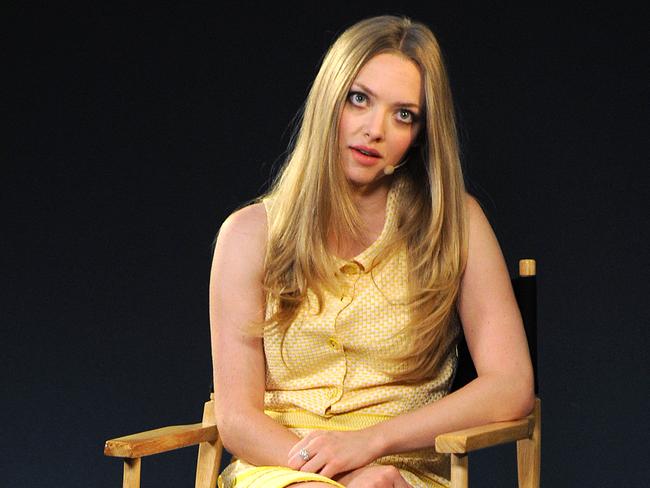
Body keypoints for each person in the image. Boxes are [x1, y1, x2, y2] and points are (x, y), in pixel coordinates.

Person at [209, 14, 534, 488]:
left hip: (405, 474)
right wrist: (341, 470)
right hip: (279, 467)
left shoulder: (455, 223)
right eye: (358, 99)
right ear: (328, 101)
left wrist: (372, 444)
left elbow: (511, 387)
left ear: (418, 137)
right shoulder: (248, 234)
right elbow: (237, 419)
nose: (374, 129)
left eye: (403, 114)